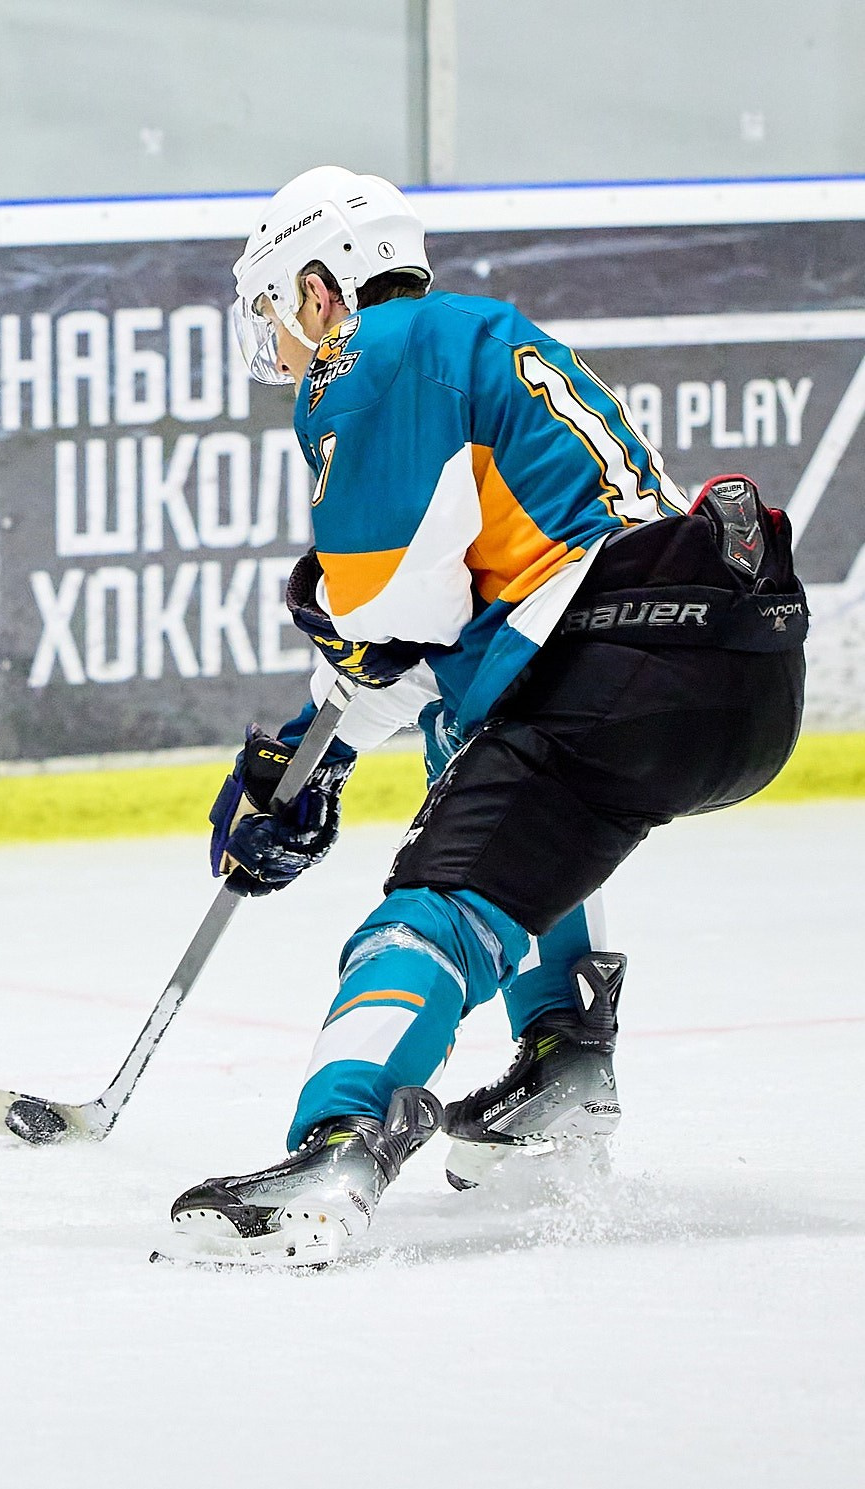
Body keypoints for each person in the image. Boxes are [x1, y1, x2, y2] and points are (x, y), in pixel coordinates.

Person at [174, 167, 808, 1266]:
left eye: (278, 301)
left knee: (426, 911)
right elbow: (447, 640)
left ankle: (334, 1148)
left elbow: (378, 614)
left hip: (614, 660)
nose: (276, 335)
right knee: (474, 756)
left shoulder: (368, 356)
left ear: (322, 289)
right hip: (729, 670)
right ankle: (562, 1064)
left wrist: (309, 713)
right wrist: (310, 756)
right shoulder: (478, 345)